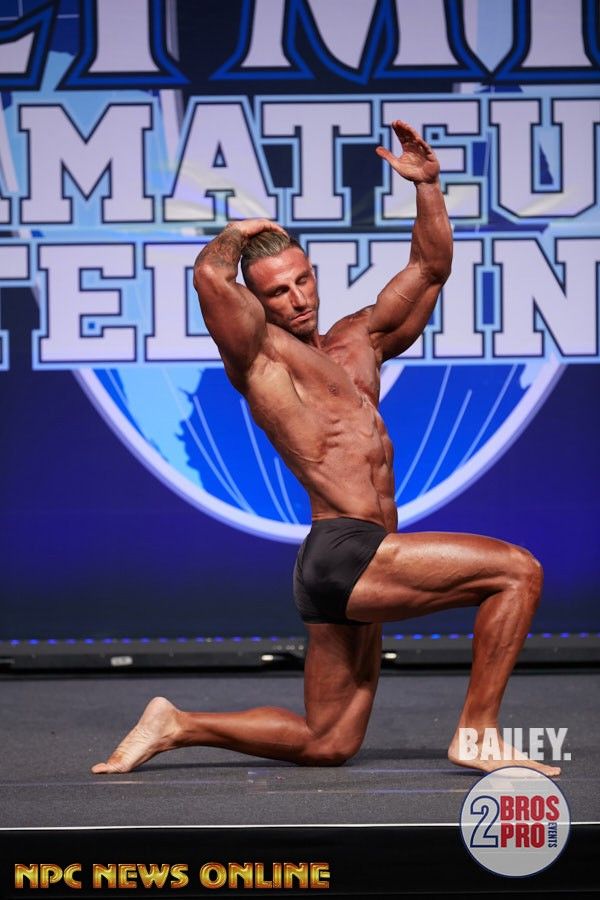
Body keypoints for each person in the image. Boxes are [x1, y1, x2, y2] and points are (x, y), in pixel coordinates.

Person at [92, 121, 559, 778]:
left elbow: (429, 269)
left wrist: (428, 187)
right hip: (346, 553)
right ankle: (477, 734)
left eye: (302, 281)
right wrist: (237, 235)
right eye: (277, 292)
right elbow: (209, 278)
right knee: (517, 572)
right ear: (257, 302)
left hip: (360, 555)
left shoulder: (358, 341)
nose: (297, 299)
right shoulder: (260, 356)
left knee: (328, 740)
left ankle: (178, 724)